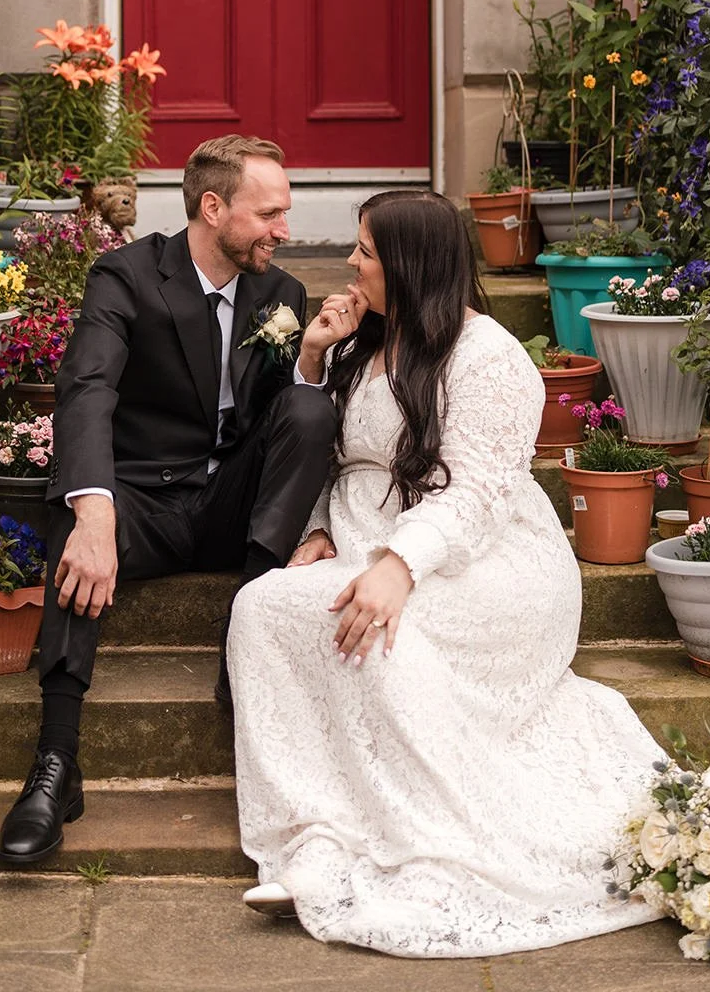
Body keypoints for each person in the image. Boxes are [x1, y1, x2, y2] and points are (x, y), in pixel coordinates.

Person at [227, 190, 668, 956]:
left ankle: (428, 844)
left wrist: (401, 565)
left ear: (410, 261)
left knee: (383, 636)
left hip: (484, 562)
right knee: (262, 608)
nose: (351, 262)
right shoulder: (362, 342)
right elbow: (325, 461)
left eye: (365, 250)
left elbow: (478, 493)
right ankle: (318, 832)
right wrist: (323, 517)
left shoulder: (489, 354)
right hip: (370, 540)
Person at [0, 135, 336, 865]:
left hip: (232, 510)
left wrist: (306, 360)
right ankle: (56, 764)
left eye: (285, 213)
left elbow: (282, 427)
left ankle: (240, 640)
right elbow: (86, 387)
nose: (285, 229)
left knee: (311, 408)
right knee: (74, 510)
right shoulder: (126, 276)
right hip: (144, 503)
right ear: (213, 208)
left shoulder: (281, 294)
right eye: (270, 213)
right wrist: (95, 508)